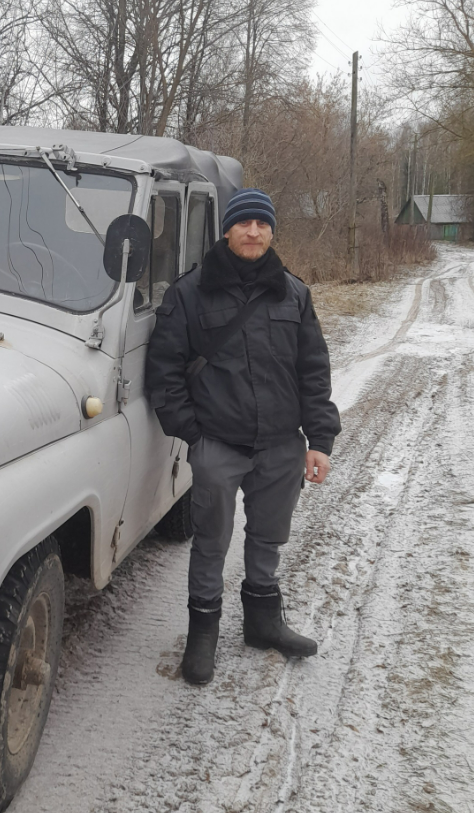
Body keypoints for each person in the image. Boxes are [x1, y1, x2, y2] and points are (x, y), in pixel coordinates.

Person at [145, 188, 341, 685]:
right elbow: (163, 373)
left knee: (269, 539)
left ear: (272, 231)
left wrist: (319, 439)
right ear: (227, 230)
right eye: (244, 223)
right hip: (219, 447)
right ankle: (202, 635)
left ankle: (263, 622)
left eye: (262, 224)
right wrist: (195, 435)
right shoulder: (189, 294)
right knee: (211, 541)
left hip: (280, 445)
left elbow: (313, 371)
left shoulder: (293, 293)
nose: (253, 232)